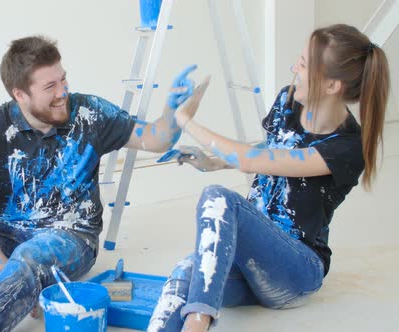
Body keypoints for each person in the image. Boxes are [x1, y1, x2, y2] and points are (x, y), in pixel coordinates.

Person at [0, 35, 206, 332]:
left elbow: (155, 139)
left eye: (63, 79)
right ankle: (16, 284)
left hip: (71, 238)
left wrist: (171, 111)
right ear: (20, 95)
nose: (63, 91)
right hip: (13, 234)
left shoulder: (89, 113)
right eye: (50, 86)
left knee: (29, 256)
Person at [147, 24, 390, 332]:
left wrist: (185, 121)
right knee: (185, 272)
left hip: (295, 270)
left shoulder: (345, 147)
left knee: (218, 197)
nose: (294, 69)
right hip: (250, 261)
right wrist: (214, 162)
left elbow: (252, 162)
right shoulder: (287, 102)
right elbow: (273, 151)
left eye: (303, 65)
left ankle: (198, 324)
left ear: (332, 86)